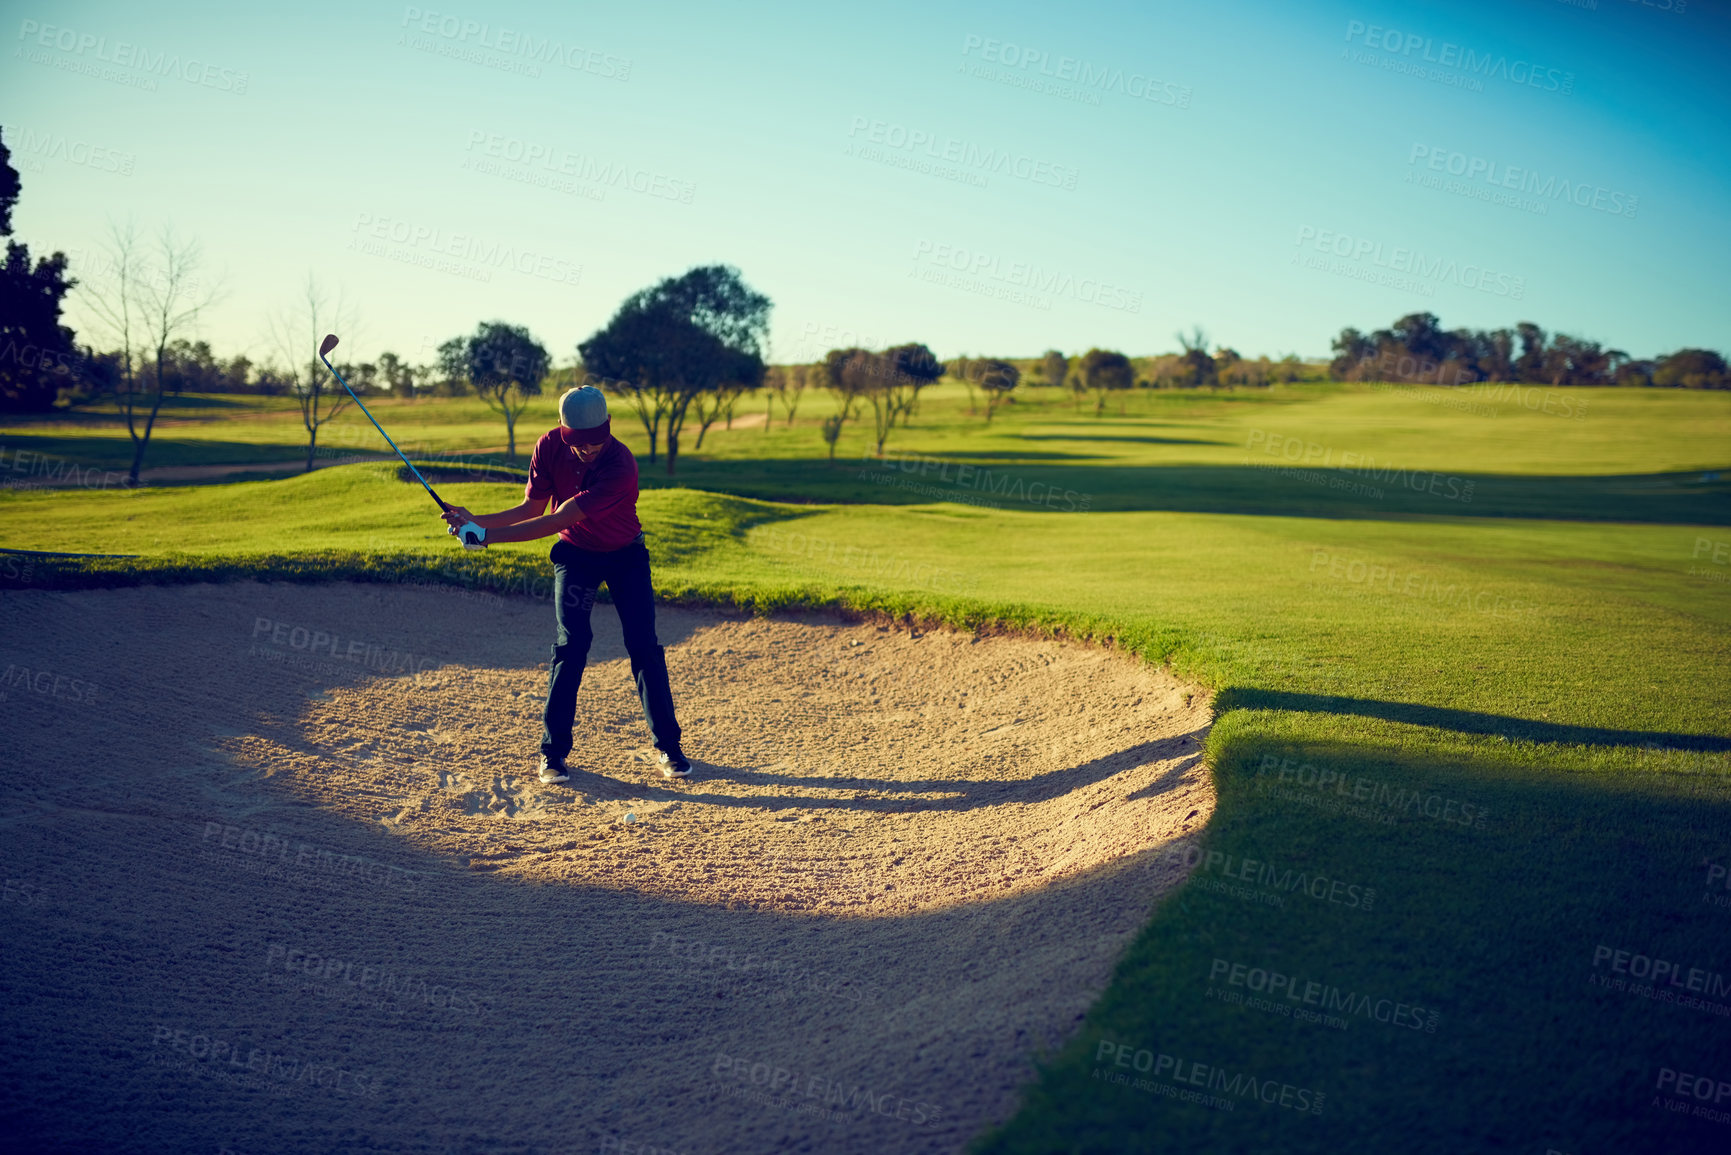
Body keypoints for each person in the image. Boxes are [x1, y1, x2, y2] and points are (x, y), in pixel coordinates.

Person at [439, 385, 691, 784]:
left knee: (643, 645)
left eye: (596, 442)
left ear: (608, 429)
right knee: (571, 645)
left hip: (626, 556)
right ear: (562, 431)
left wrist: (483, 537)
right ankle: (552, 754)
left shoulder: (621, 464)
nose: (588, 450)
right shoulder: (548, 447)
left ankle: (668, 748)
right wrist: (478, 521)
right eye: (579, 443)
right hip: (576, 557)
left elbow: (557, 520)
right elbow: (532, 508)